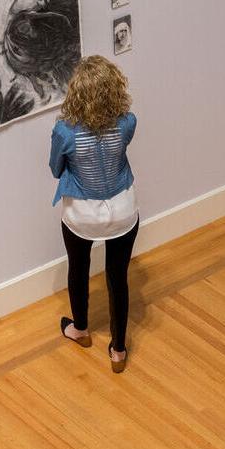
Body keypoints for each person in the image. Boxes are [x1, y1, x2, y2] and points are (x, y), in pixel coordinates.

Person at [50, 56, 139, 373]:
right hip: (122, 210)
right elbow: (122, 146)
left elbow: (55, 168)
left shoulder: (65, 132)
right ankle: (118, 349)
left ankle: (80, 329)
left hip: (81, 214)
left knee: (79, 268)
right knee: (118, 278)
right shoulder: (127, 122)